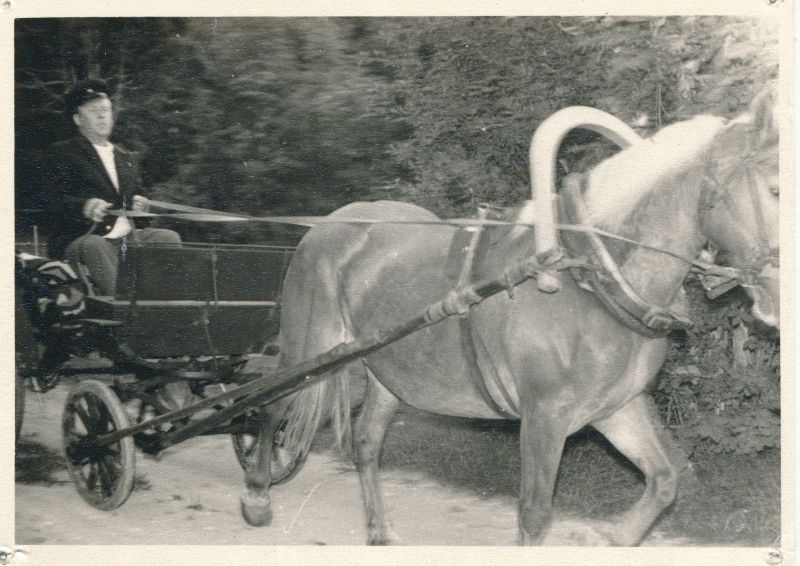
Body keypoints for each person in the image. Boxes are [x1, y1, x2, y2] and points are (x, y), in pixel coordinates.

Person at [46, 79, 181, 295]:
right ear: (77, 118)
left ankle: (160, 302)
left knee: (167, 238)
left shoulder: (126, 157)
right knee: (95, 245)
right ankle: (126, 310)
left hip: (127, 238)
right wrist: (85, 207)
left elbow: (137, 204)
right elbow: (50, 201)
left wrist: (141, 206)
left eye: (106, 109)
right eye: (93, 110)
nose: (102, 115)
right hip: (82, 239)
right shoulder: (62, 153)